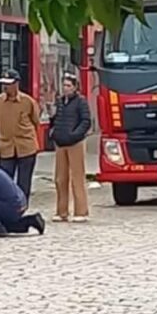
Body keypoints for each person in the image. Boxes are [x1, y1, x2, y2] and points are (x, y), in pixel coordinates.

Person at [0, 69, 40, 200]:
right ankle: (8, 207)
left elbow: (36, 121)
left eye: (9, 83)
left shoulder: (28, 101)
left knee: (24, 182)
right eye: (3, 83)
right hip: (6, 147)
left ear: (16, 84)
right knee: (5, 181)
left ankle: (22, 207)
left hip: (26, 147)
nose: (5, 87)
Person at [50, 73, 92, 223]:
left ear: (75, 87)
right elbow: (54, 119)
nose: (65, 88)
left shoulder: (80, 102)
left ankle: (81, 211)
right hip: (61, 142)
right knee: (60, 178)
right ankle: (61, 211)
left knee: (77, 177)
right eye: (64, 85)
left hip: (75, 142)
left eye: (68, 86)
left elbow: (86, 121)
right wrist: (53, 133)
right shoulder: (60, 102)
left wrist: (75, 134)